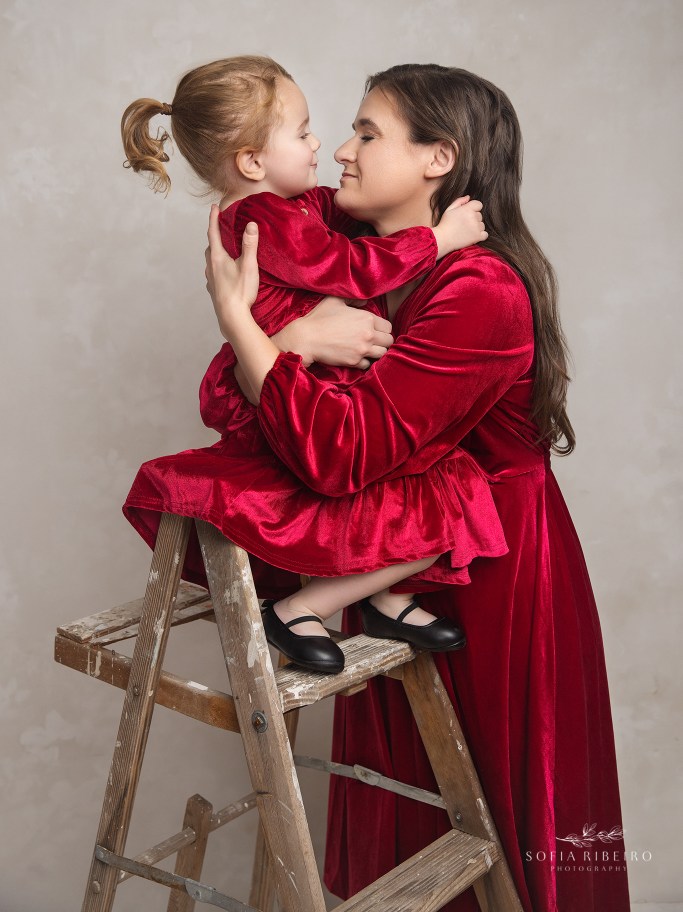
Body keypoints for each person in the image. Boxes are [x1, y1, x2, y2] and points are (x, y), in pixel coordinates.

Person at [202, 64, 631, 912]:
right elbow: (236, 410)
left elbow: (339, 456)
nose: (343, 154)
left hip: (492, 573)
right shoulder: (362, 267)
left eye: (367, 133)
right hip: (393, 564)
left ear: (439, 158)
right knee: (403, 814)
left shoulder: (478, 289)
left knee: (507, 822)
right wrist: (287, 334)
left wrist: (244, 326)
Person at [121, 55, 504, 675]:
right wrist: (440, 238)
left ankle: (386, 597)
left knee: (427, 491)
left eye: (365, 134)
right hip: (295, 401)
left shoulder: (283, 207)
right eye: (302, 133)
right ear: (252, 161)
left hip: (297, 382)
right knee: (443, 494)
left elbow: (335, 212)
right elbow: (351, 268)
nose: (328, 146)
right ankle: (305, 609)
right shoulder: (263, 218)